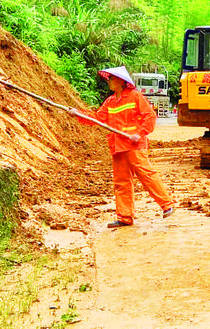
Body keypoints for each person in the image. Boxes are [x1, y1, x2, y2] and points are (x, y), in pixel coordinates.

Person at [69, 66, 175, 228]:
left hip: (133, 145)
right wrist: (78, 113)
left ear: (121, 81)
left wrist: (139, 134)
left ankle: (167, 204)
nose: (109, 81)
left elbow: (150, 117)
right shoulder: (110, 101)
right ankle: (124, 216)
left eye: (112, 78)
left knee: (146, 174)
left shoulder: (134, 97)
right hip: (118, 145)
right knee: (121, 182)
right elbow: (98, 118)